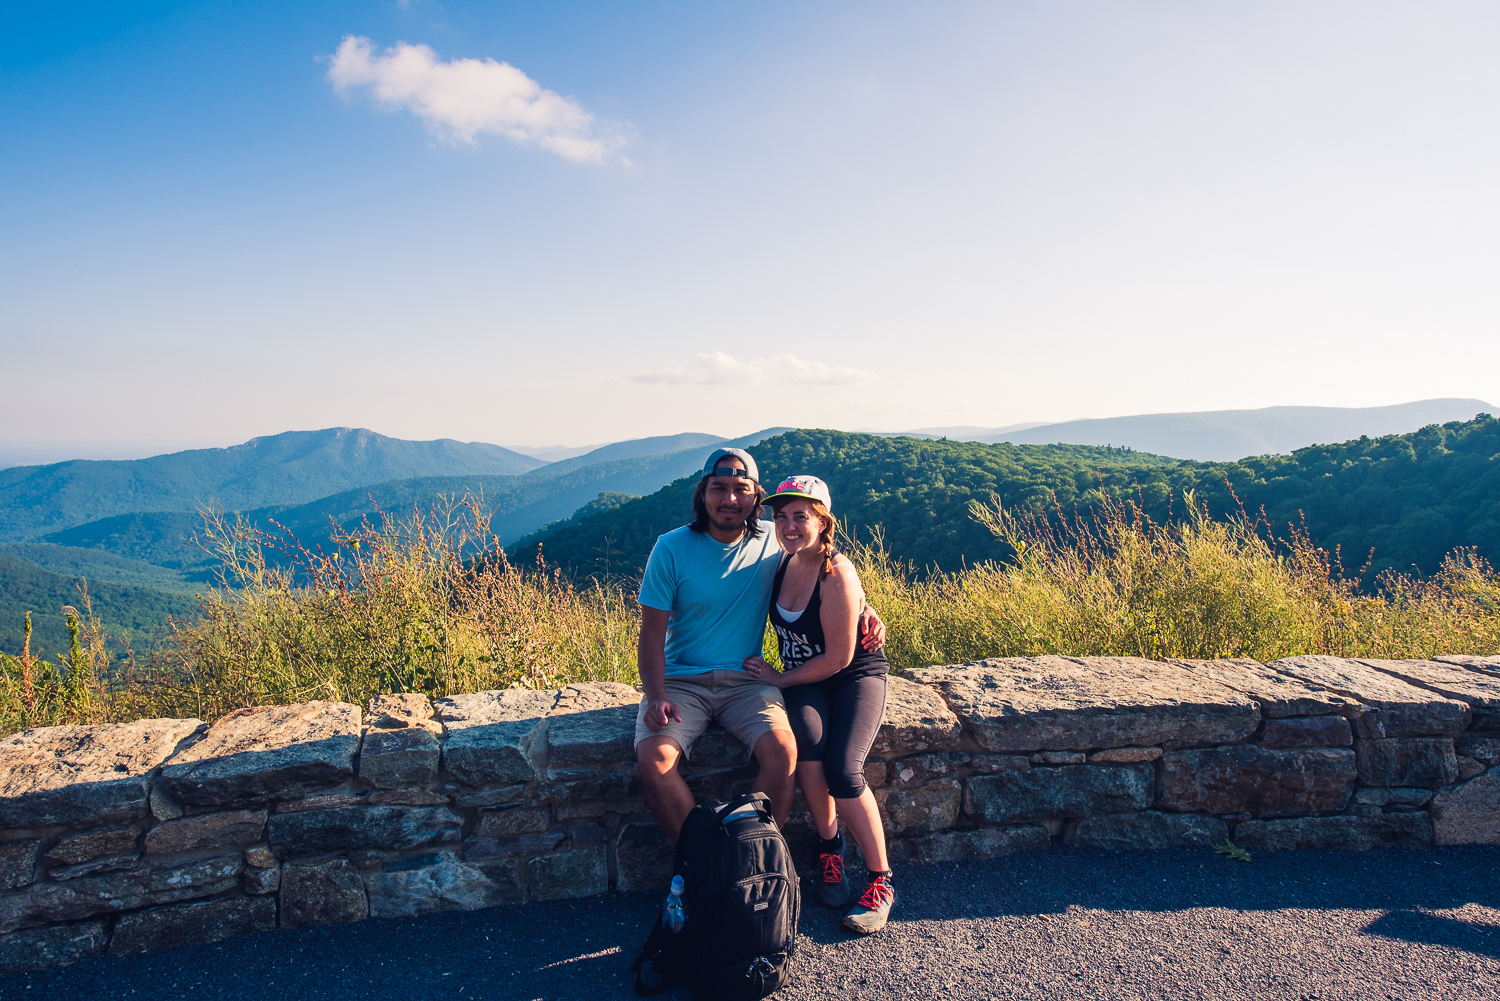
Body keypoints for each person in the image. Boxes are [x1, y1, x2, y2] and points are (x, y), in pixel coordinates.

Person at [634, 449, 885, 846]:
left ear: (755, 497)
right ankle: (703, 862)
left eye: (740, 489)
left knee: (785, 754)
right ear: (702, 493)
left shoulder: (775, 539)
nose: (729, 499)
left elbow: (828, 565)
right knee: (655, 759)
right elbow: (650, 634)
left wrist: (863, 605)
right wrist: (655, 696)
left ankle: (754, 856)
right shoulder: (671, 548)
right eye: (719, 488)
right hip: (681, 679)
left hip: (747, 678)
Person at [742, 475, 896, 935]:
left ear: (823, 521)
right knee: (806, 745)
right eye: (782, 516)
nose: (789, 526)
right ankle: (830, 850)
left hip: (852, 676)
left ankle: (880, 880)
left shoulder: (837, 572)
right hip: (806, 679)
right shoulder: (779, 563)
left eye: (801, 517)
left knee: (843, 769)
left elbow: (839, 657)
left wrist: (778, 679)